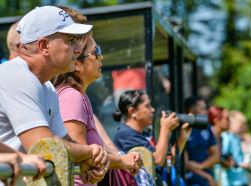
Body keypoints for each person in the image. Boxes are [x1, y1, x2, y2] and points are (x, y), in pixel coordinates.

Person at [0, 6, 108, 184]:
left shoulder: (47, 87)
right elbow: (45, 146)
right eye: (71, 40)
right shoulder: (16, 76)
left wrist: (87, 158)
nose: (78, 49)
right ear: (44, 46)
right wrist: (90, 153)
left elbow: (63, 143)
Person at [52, 34, 142, 185]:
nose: (101, 57)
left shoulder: (79, 96)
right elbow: (81, 156)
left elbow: (89, 154)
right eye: (96, 51)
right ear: (77, 64)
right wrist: (122, 160)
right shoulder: (72, 97)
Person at [113, 90, 191, 185]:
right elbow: (156, 161)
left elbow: (167, 162)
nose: (153, 110)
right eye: (147, 106)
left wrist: (183, 137)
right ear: (132, 112)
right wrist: (165, 129)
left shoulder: (144, 134)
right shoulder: (125, 134)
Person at [183, 96, 219, 186]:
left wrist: (201, 166)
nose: (206, 112)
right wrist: (208, 177)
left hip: (205, 174)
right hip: (190, 178)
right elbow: (186, 163)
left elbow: (215, 155)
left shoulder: (207, 128)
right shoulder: (184, 128)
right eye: (202, 109)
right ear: (191, 110)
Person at [220, 110, 250, 186]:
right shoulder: (226, 137)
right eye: (240, 126)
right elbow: (223, 156)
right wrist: (238, 164)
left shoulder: (237, 137)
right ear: (232, 123)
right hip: (231, 180)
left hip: (241, 178)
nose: (242, 128)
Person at [207, 106, 230, 185]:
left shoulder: (220, 137)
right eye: (227, 119)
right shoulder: (208, 137)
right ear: (216, 120)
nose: (229, 122)